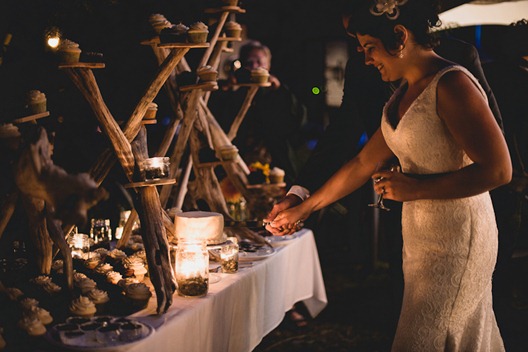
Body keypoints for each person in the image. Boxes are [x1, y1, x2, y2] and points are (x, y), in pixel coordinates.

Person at [266, 0, 511, 350]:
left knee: (423, 338)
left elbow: (499, 169)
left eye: (369, 47)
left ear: (399, 36)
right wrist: (302, 208)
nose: (366, 58)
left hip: (458, 237)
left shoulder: (453, 82)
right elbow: (362, 162)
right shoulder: (402, 93)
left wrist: (415, 188)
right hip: (420, 236)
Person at [209, 40, 307, 186]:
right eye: (249, 62)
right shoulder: (236, 92)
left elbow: (298, 121)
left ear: (268, 65)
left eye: (259, 62)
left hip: (274, 163)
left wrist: (280, 91)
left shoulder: (277, 92)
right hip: (239, 164)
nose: (254, 67)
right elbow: (216, 119)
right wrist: (227, 88)